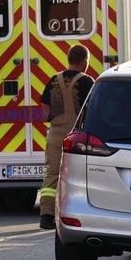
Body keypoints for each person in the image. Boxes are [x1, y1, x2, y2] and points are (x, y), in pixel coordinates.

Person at [38, 44, 94, 229]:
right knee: (79, 176)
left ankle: (46, 216)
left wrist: (53, 118)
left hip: (55, 136)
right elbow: (92, 108)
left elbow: (45, 103)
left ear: (69, 59)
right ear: (84, 62)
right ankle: (77, 213)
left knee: (52, 176)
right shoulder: (87, 81)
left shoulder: (54, 79)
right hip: (77, 138)